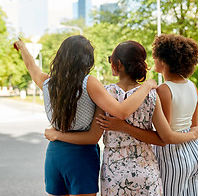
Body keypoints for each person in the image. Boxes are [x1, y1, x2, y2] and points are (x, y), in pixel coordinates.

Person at [44, 40, 198, 196]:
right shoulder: (152, 94)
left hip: (115, 172)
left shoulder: (105, 94)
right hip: (146, 169)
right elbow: (162, 139)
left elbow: (91, 131)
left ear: (117, 65)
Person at [13, 36, 157, 196]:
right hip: (81, 157)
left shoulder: (48, 83)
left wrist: (22, 47)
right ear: (87, 60)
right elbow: (120, 112)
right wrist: (147, 86)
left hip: (55, 155)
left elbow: (31, 66)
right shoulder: (89, 82)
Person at [100, 35, 198, 195]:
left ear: (163, 61)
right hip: (195, 153)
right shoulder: (192, 86)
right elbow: (194, 126)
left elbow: (166, 136)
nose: (152, 60)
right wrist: (192, 134)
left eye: (155, 56)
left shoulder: (163, 89)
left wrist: (124, 127)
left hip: (174, 157)